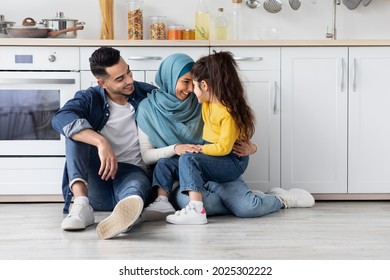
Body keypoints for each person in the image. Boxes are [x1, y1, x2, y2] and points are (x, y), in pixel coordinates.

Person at [136, 53, 315, 225]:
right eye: (186, 82)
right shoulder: (150, 109)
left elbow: (234, 130)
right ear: (170, 78)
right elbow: (147, 155)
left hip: (218, 164)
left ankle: (280, 199)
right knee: (181, 189)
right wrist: (176, 148)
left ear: (205, 85)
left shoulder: (203, 101)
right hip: (191, 173)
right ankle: (171, 201)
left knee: (247, 208)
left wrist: (252, 147)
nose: (191, 89)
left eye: (194, 83)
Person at [51, 47, 156, 239]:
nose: (130, 80)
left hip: (132, 172)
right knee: (76, 130)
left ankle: (125, 214)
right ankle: (81, 205)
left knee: (136, 186)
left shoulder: (147, 94)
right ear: (102, 83)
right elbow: (60, 118)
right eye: (120, 79)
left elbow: (178, 111)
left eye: (128, 72)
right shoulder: (89, 98)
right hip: (96, 180)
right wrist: (100, 141)